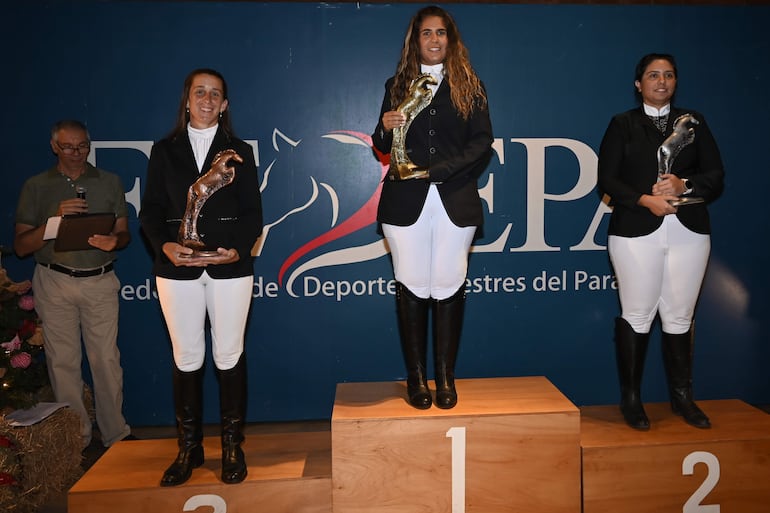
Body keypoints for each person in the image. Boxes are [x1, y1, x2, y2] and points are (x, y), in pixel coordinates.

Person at [139, 68, 262, 486]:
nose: (207, 99)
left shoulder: (240, 151)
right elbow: (150, 212)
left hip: (230, 268)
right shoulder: (164, 150)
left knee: (229, 354)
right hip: (176, 269)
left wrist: (237, 249)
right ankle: (189, 448)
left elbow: (253, 215)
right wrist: (165, 245)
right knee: (187, 357)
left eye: (215, 94)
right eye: (199, 92)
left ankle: (232, 446)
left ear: (224, 104)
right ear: (187, 100)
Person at [371, 6, 493, 409]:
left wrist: (436, 169)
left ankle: (444, 377)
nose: (435, 40)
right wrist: (384, 128)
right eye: (427, 33)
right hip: (404, 203)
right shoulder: (397, 84)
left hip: (454, 199)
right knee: (410, 284)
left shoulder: (470, 86)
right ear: (415, 40)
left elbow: (481, 143)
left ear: (451, 39)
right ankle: (416, 379)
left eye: (441, 33)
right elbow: (384, 145)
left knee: (448, 285)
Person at [598, 53, 724, 430]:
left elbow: (716, 175)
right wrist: (644, 200)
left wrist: (685, 185)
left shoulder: (694, 123)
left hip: (689, 232)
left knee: (680, 316)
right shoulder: (622, 124)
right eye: (653, 75)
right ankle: (632, 401)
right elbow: (607, 179)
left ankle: (682, 398)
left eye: (668, 75)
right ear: (639, 84)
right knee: (637, 314)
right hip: (635, 231)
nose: (661, 81)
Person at [14, 119, 132, 448]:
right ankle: (76, 441)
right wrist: (55, 219)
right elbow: (22, 246)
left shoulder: (109, 181)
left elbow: (123, 233)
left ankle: (116, 435)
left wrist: (114, 241)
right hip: (53, 279)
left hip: (99, 279)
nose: (77, 153)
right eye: (68, 147)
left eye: (82, 146)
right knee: (62, 362)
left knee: (106, 360)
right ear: (54, 147)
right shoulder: (37, 186)